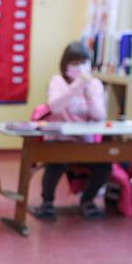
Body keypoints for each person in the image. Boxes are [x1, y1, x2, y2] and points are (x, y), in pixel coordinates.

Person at [34, 41, 111, 221]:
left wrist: (89, 93)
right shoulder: (57, 81)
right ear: (65, 65)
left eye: (83, 62)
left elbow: (99, 115)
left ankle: (87, 200)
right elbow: (55, 107)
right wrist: (74, 88)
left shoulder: (95, 85)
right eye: (75, 63)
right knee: (56, 162)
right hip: (59, 138)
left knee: (104, 166)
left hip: (85, 141)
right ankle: (47, 202)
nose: (80, 67)